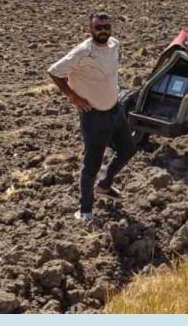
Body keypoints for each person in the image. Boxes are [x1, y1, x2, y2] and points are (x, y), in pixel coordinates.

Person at [48, 12, 137, 223]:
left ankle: (104, 186)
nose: (103, 31)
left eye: (107, 26)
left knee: (128, 150)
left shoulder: (114, 44)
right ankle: (84, 211)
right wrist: (73, 96)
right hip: (94, 117)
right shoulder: (82, 52)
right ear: (90, 29)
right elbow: (54, 71)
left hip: (115, 110)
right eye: (98, 27)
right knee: (91, 165)